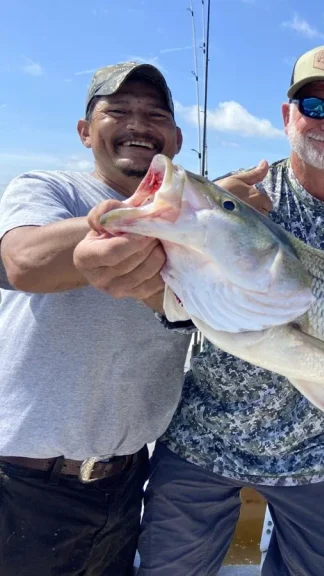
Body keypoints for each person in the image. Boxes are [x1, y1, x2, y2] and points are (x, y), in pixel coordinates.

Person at [77, 43, 324, 576]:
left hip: (322, 451)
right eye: (313, 107)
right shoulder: (238, 195)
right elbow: (168, 295)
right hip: (202, 438)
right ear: (287, 116)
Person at [0, 62, 193, 576]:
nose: (139, 124)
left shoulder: (191, 219)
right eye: (118, 111)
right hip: (24, 484)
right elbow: (24, 261)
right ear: (85, 131)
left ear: (175, 137)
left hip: (128, 482)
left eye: (155, 114)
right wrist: (125, 219)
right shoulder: (46, 188)